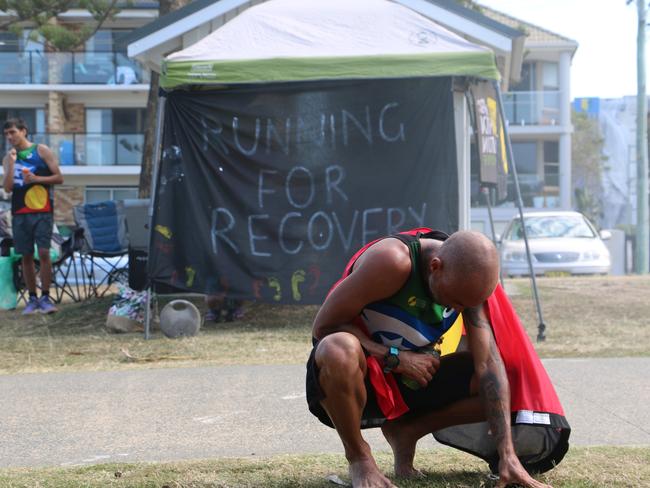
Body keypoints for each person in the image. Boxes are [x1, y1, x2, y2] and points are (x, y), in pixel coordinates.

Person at [306, 229, 551, 488]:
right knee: (337, 348)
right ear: (436, 267)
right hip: (356, 381)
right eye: (455, 301)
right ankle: (360, 459)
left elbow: (488, 364)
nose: (457, 310)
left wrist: (507, 455)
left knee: (503, 379)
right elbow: (323, 328)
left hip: (411, 380)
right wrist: (396, 358)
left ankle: (407, 431)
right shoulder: (393, 262)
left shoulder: (466, 284)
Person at [2, 118, 64, 314]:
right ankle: (32, 299)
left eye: (13, 132)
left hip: (43, 210)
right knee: (25, 255)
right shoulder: (8, 157)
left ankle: (45, 297)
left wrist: (37, 179)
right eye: (6, 134)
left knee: (44, 253)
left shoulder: (41, 150)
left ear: (23, 131)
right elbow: (8, 188)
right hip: (19, 213)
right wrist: (11, 165)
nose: (10, 137)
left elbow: (59, 177)